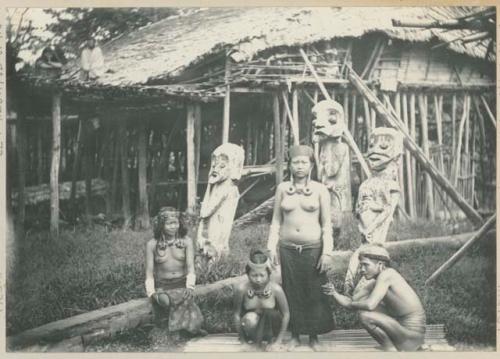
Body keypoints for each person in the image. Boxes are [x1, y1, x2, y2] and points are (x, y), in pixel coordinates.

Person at [267, 144, 335, 351]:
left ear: (311, 165)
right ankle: (295, 335)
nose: (299, 166)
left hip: (313, 248)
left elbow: (326, 224)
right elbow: (276, 222)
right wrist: (271, 247)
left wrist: (328, 252)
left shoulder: (320, 189)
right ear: (289, 165)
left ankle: (314, 336)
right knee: (291, 291)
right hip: (287, 249)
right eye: (295, 162)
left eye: (304, 162)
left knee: (314, 291)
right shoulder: (281, 189)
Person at [323, 244, 426, 351]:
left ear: (380, 265)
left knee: (365, 316)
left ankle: (390, 350)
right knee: (363, 309)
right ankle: (392, 346)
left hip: (411, 338)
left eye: (365, 265)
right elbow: (353, 301)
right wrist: (334, 293)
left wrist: (353, 304)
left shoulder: (387, 275)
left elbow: (369, 305)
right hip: (404, 334)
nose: (361, 270)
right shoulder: (376, 281)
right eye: (360, 265)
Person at [145, 207, 205, 337]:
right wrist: (151, 292)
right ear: (161, 225)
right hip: (162, 286)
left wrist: (190, 286)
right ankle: (175, 329)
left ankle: (188, 329)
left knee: (185, 297)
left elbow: (190, 267)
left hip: (182, 284)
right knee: (166, 301)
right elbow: (149, 272)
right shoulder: (152, 244)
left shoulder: (186, 241)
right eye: (169, 223)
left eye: (176, 223)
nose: (173, 227)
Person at [233, 249, 290, 351]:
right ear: (247, 274)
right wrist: (243, 342)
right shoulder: (242, 289)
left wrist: (278, 341)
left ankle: (265, 343)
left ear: (268, 274)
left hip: (272, 329)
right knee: (249, 318)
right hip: (251, 329)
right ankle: (254, 342)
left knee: (269, 313)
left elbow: (286, 314)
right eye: (254, 275)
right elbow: (237, 315)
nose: (258, 279)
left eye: (262, 275)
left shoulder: (276, 289)